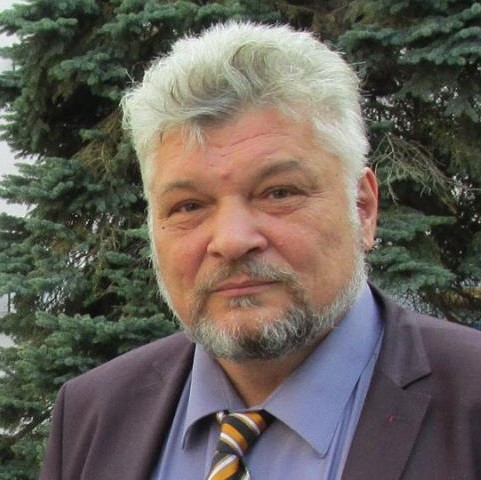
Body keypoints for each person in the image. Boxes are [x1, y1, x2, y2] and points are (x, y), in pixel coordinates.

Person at [39, 21, 481, 480]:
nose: (231, 241)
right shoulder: (92, 415)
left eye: (278, 193)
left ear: (363, 208)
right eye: (189, 205)